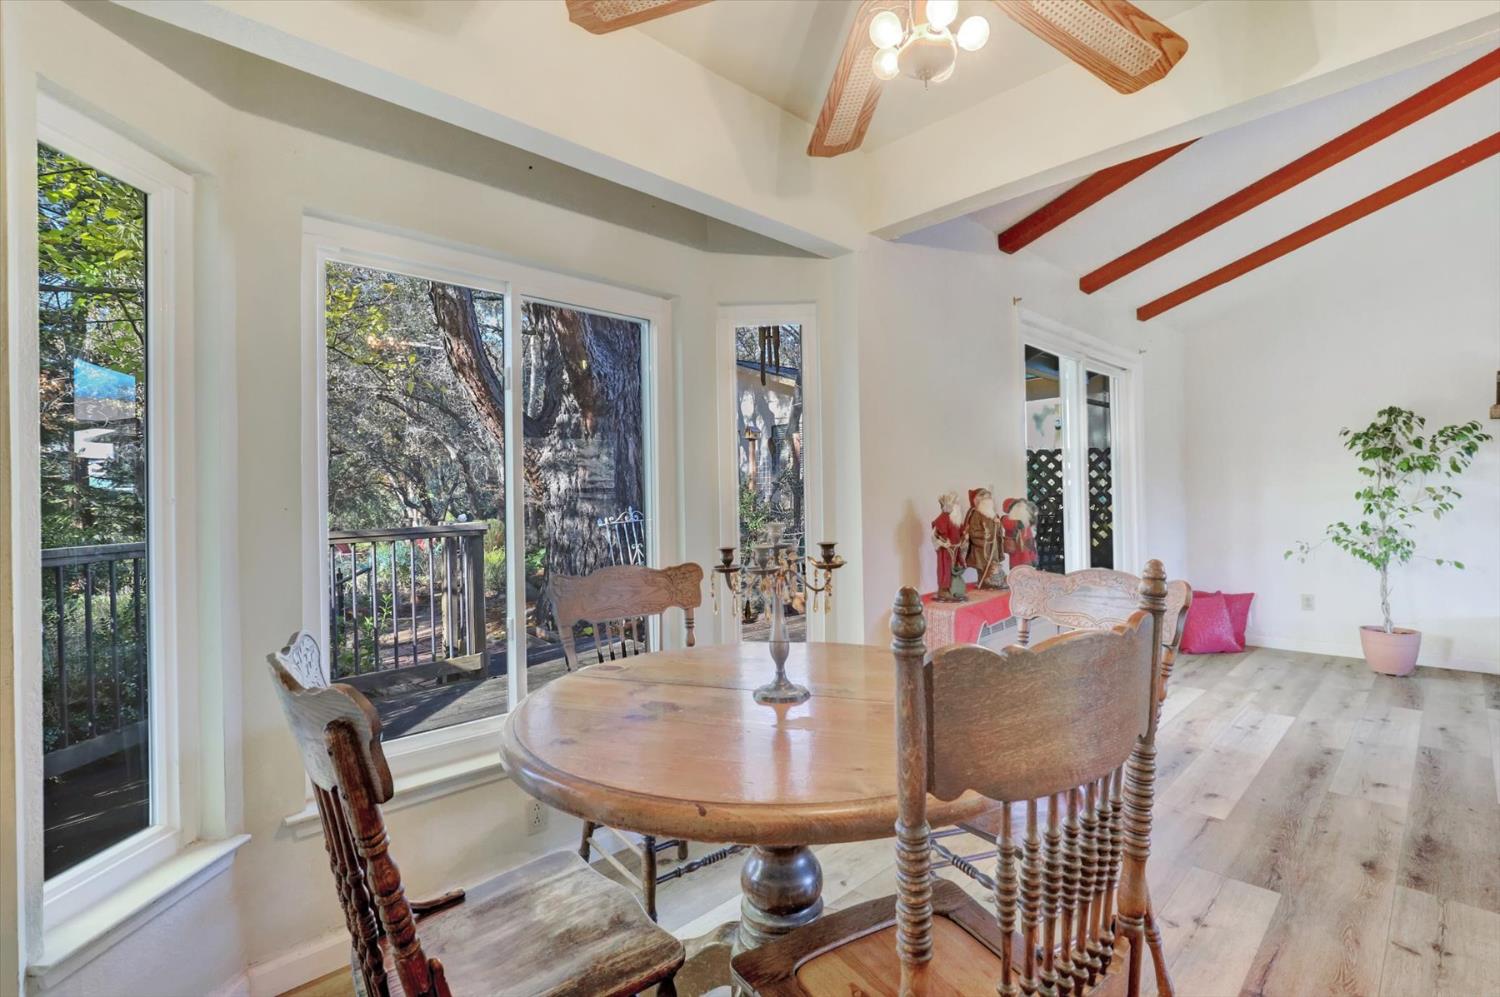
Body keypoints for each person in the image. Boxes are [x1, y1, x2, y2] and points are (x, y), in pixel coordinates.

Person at [963, 487, 1006, 590]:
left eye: (988, 497)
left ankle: (995, 582)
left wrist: (998, 525)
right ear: (979, 500)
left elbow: (997, 530)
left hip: (993, 546)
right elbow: (972, 532)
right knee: (983, 565)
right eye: (985, 497)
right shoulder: (976, 514)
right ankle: (984, 583)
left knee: (993, 564)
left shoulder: (992, 514)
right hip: (982, 547)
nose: (988, 499)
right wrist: (984, 536)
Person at [930, 492, 967, 601]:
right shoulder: (943, 518)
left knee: (954, 569)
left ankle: (954, 588)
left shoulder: (955, 518)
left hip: (955, 550)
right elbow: (934, 535)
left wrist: (964, 537)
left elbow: (960, 531)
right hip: (945, 551)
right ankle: (943, 590)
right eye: (956, 503)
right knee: (945, 568)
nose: (958, 506)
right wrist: (943, 543)